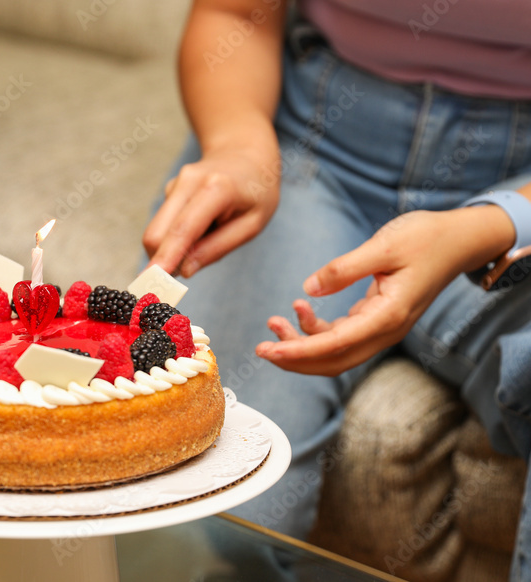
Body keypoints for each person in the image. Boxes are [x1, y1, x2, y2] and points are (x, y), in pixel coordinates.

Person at [143, 0, 531, 578]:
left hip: (515, 198)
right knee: (208, 501)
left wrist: (494, 224)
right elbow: (233, 12)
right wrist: (239, 146)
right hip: (310, 150)